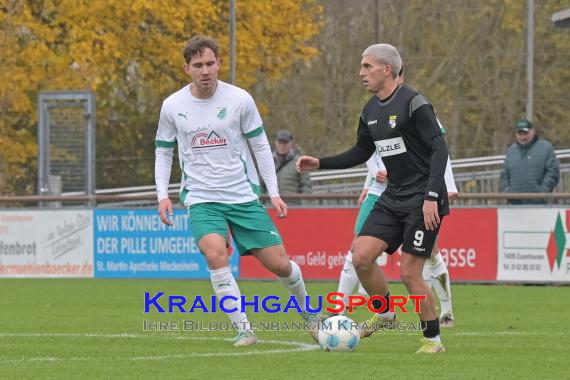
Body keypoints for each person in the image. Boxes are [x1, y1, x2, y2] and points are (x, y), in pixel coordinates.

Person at [154, 35, 320, 347]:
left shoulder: (239, 100)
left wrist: (273, 192)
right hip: (203, 199)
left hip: (242, 196)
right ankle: (245, 329)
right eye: (198, 65)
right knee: (215, 255)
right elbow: (163, 151)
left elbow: (260, 145)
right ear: (186, 68)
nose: (205, 71)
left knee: (280, 264)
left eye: (210, 64)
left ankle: (310, 316)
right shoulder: (172, 106)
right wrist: (162, 194)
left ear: (218, 64)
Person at [297, 43, 449, 353]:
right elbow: (360, 152)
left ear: (387, 70)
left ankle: (433, 340)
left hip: (423, 198)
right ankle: (386, 312)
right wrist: (321, 163)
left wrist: (432, 195)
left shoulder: (414, 103)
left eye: (367, 66)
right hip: (393, 196)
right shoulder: (370, 111)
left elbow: (439, 149)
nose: (361, 73)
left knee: (409, 272)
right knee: (361, 256)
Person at [500, 119, 560, 204]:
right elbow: (504, 175)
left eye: (525, 133)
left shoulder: (546, 148)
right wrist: (508, 192)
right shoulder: (511, 151)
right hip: (515, 205)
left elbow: (553, 172)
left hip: (540, 204)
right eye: (519, 134)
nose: (522, 137)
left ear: (533, 131)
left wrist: (542, 192)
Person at [272, 130, 312, 204]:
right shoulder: (267, 161)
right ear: (275, 143)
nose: (282, 146)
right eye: (280, 143)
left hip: (293, 207)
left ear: (291, 143)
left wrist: (304, 207)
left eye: (285, 143)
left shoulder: (300, 162)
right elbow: (260, 184)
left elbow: (306, 187)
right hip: (271, 207)